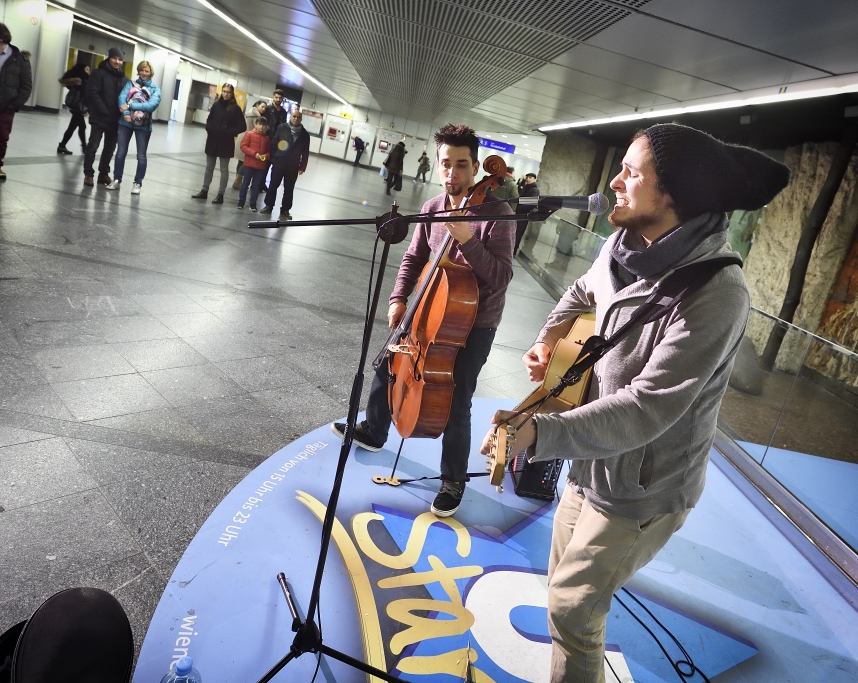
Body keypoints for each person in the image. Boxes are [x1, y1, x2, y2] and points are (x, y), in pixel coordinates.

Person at [482, 124, 790, 683]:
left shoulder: (716, 293)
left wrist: (539, 432)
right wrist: (548, 338)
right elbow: (583, 292)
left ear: (673, 195)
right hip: (589, 462)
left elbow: (647, 408)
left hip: (643, 489)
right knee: (561, 593)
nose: (614, 182)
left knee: (574, 609)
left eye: (632, 172)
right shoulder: (622, 246)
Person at [332, 123, 515, 517]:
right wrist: (399, 297)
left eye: (462, 165)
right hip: (429, 308)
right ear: (437, 164)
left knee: (457, 396)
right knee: (389, 360)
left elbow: (501, 276)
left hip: (475, 322)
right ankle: (375, 430)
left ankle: (453, 479)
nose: (453, 174)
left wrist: (468, 239)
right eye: (446, 164)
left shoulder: (497, 213)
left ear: (477, 165)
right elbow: (414, 258)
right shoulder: (434, 207)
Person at [0, 21, 32, 180]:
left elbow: (26, 86)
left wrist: (14, 104)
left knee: (2, 136)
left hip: (5, 104)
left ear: (1, 37)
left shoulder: (19, 59)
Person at [106, 61, 161, 195]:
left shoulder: (155, 89)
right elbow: (121, 98)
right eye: (142, 70)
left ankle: (137, 183)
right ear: (138, 71)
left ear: (151, 73)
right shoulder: (130, 84)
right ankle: (117, 179)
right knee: (120, 152)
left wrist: (130, 107)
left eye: (146, 71)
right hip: (125, 123)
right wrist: (125, 113)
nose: (144, 73)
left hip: (144, 126)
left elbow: (151, 106)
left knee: (141, 155)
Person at [191, 83, 246, 204]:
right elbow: (209, 119)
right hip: (212, 140)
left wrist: (228, 132)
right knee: (209, 167)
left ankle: (220, 194)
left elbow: (242, 126)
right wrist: (209, 127)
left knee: (224, 169)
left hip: (226, 143)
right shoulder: (216, 104)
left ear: (232, 94)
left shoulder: (235, 108)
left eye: (228, 92)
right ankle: (204, 191)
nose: (226, 94)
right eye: (224, 91)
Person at [83, 47, 129, 187]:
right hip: (100, 117)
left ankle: (103, 174)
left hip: (116, 120)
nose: (117, 61)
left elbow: (127, 98)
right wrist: (104, 110)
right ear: (109, 58)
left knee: (109, 149)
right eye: (115, 58)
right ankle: (88, 174)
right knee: (93, 146)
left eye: (120, 59)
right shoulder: (98, 74)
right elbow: (92, 93)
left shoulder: (125, 79)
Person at [260, 108, 310, 219]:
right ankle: (268, 206)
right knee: (273, 185)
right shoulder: (282, 128)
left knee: (289, 188)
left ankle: (285, 210)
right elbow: (274, 142)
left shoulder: (305, 134)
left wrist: (302, 166)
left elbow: (305, 151)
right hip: (279, 162)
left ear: (301, 119)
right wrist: (273, 157)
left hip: (293, 165)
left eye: (298, 117)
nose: (296, 119)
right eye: (294, 116)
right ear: (290, 117)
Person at [237, 116, 270, 211]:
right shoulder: (249, 135)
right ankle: (241, 201)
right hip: (249, 164)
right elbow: (243, 146)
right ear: (255, 124)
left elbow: (269, 152)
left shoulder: (267, 139)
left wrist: (266, 156)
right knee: (245, 184)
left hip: (260, 167)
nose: (262, 127)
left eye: (264, 125)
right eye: (260, 124)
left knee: (256, 185)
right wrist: (254, 154)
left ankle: (253, 203)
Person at [233, 99, 267, 189]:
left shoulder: (248, 112)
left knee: (240, 162)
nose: (264, 109)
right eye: (262, 106)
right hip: (248, 140)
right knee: (245, 162)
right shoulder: (256, 116)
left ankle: (237, 181)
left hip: (242, 137)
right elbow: (257, 129)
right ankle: (237, 182)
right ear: (257, 105)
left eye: (265, 108)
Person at [57, 63, 90, 155]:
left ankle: (84, 146)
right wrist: (85, 109)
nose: (89, 71)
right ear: (82, 70)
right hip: (79, 108)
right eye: (87, 69)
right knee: (72, 127)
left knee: (82, 126)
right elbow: (84, 96)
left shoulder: (76, 80)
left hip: (74, 107)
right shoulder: (83, 80)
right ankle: (63, 145)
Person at [515, 172, 539, 254]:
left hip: (524, 214)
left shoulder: (534, 190)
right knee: (515, 231)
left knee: (518, 232)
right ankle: (512, 248)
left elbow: (532, 203)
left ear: (534, 179)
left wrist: (522, 206)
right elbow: (519, 192)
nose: (528, 179)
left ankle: (514, 249)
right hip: (519, 213)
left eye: (530, 178)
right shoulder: (526, 187)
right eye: (527, 177)